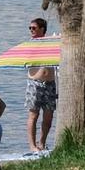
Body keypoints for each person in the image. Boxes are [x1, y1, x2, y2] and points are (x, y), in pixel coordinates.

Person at [25, 17, 57, 153]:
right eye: (30, 28)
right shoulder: (31, 44)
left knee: (48, 116)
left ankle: (42, 143)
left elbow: (60, 39)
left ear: (42, 29)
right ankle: (32, 146)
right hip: (34, 83)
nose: (31, 30)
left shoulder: (50, 42)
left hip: (50, 83)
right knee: (33, 115)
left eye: (34, 28)